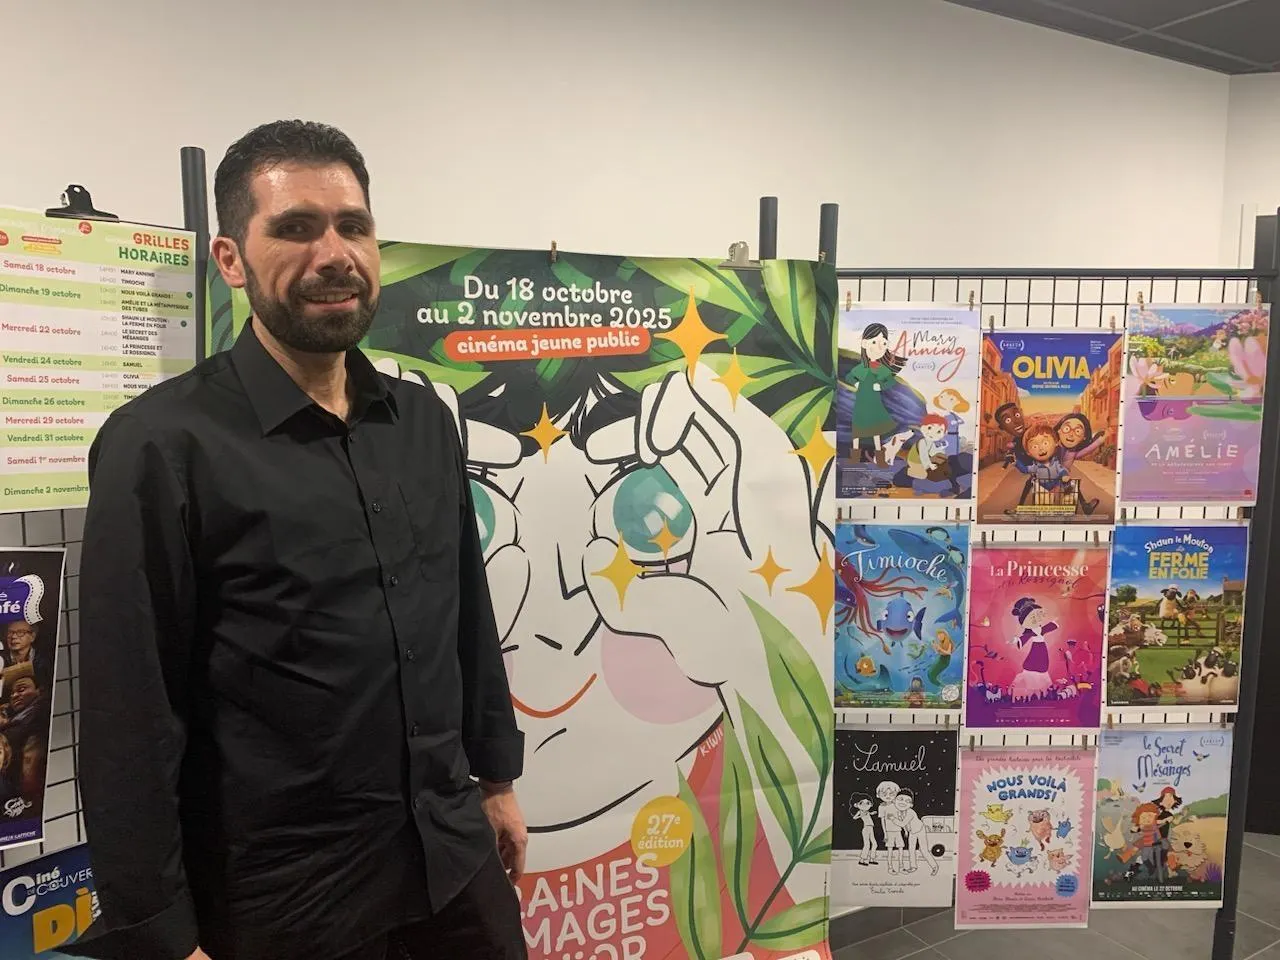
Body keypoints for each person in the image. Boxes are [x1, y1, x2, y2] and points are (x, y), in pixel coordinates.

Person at [67, 121, 527, 960]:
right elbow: (128, 709)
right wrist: (161, 933)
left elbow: (465, 614)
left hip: (449, 859)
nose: (333, 254)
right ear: (230, 259)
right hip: (287, 902)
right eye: (295, 228)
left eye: (353, 226)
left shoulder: (421, 420)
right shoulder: (162, 445)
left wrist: (496, 780)